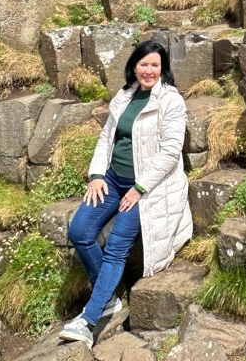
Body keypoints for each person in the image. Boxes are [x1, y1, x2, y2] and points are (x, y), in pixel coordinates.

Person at [59, 39, 193, 348]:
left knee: (117, 246)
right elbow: (107, 138)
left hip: (147, 187)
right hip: (112, 180)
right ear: (134, 66)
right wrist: (96, 175)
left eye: (155, 65)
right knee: (79, 231)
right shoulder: (125, 95)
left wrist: (139, 187)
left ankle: (88, 320)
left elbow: (170, 152)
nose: (149, 70)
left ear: (163, 68)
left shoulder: (171, 101)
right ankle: (107, 298)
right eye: (144, 64)